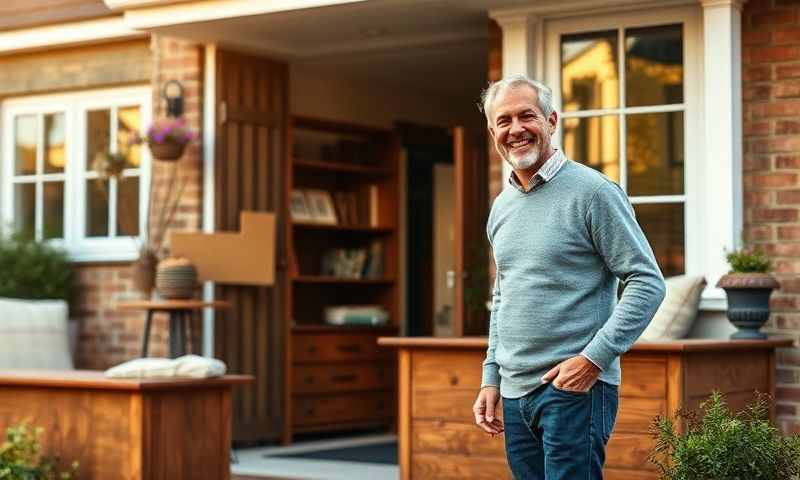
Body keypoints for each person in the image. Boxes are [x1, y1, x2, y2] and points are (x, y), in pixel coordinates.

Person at [472, 74, 666, 480]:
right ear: (493, 132)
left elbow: (647, 281)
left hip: (573, 389)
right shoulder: (501, 206)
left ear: (551, 121)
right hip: (513, 390)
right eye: (503, 121)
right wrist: (491, 377)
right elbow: (505, 294)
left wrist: (593, 359)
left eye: (527, 116)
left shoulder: (593, 192)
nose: (516, 129)